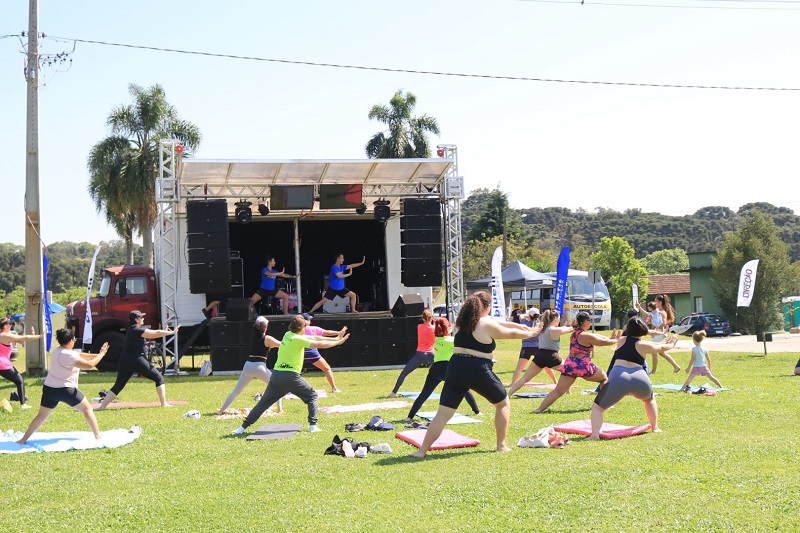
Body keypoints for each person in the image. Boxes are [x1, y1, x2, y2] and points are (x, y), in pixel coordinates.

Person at [409, 291, 542, 458]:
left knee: (443, 413)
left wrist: (524, 327)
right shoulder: (485, 324)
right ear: (485, 307)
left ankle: (421, 451)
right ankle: (501, 445)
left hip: (455, 367)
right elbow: (511, 334)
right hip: (477, 368)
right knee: (503, 403)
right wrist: (532, 333)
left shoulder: (462, 323)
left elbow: (502, 324)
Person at [232, 315, 349, 435]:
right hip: (290, 376)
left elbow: (314, 337)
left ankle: (241, 428)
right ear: (301, 328)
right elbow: (320, 344)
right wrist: (338, 342)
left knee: (263, 404)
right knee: (312, 396)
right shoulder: (299, 340)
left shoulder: (287, 335)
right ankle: (313, 426)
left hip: (276, 375)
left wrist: (336, 338)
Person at [589, 316, 679, 439]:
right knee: (649, 399)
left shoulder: (621, 340)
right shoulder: (644, 345)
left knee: (597, 407)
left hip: (619, 376)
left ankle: (594, 435)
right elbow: (661, 348)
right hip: (640, 377)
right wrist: (672, 343)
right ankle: (655, 428)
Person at [16, 329, 109, 444]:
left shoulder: (58, 349)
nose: (75, 341)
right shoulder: (68, 355)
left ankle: (23, 440)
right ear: (70, 341)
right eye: (74, 339)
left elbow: (79, 355)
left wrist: (99, 354)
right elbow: (90, 365)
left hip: (49, 389)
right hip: (65, 390)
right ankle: (98, 436)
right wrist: (102, 354)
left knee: (41, 415)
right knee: (87, 409)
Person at [532, 311, 619, 414]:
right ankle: (604, 404)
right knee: (604, 378)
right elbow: (603, 342)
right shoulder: (585, 335)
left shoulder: (574, 334)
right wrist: (616, 340)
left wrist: (610, 338)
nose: (590, 323)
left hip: (570, 365)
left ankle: (539, 409)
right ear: (585, 321)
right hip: (583, 366)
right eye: (590, 320)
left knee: (558, 390)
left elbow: (598, 336)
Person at [96, 310, 180, 410]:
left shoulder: (131, 330)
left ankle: (102, 407)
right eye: (141, 317)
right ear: (136, 319)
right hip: (136, 359)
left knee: (119, 385)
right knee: (159, 378)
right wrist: (171, 332)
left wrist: (164, 332)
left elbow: (154, 333)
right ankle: (164, 403)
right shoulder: (136, 330)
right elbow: (155, 333)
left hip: (125, 360)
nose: (143, 319)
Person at [405, 317, 481, 421]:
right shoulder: (451, 340)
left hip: (435, 369)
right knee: (464, 389)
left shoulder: (435, 339)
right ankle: (477, 411)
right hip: (448, 369)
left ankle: (409, 417)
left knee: (424, 394)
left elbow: (442, 335)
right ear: (447, 328)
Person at [217, 316, 284, 415]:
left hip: (248, 366)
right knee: (278, 386)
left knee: (236, 391)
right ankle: (279, 409)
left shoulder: (254, 337)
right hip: (259, 367)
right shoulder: (267, 338)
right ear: (265, 327)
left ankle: (221, 410)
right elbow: (281, 344)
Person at [507, 309, 570, 397]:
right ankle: (567, 392)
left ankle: (508, 394)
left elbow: (561, 329)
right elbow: (569, 329)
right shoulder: (554, 329)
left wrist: (563, 327)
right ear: (555, 318)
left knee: (524, 378)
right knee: (568, 370)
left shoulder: (542, 328)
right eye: (559, 318)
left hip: (539, 355)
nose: (559, 320)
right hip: (552, 356)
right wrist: (575, 326)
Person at [388, 309, 435, 397]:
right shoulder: (434, 328)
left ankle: (393, 393)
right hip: (431, 354)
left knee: (404, 373)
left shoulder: (420, 327)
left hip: (420, 354)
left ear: (423, 319)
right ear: (431, 318)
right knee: (443, 373)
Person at [0, 318, 45, 409]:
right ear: (5, 326)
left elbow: (22, 340)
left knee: (19, 380)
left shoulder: (4, 335)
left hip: (3, 363)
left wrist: (32, 336)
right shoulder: (5, 336)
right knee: (19, 380)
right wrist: (39, 336)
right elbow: (24, 338)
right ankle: (23, 404)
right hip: (3, 364)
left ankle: (18, 398)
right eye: (10, 324)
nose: (11, 325)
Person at [508, 307, 557, 388]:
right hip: (538, 347)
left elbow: (521, 316)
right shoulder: (540, 324)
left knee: (520, 367)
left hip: (526, 347)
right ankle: (555, 381)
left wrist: (528, 315)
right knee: (546, 365)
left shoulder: (524, 322)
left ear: (529, 315)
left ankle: (513, 383)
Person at [301, 312, 346, 393]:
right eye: (309, 320)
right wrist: (339, 333)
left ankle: (289, 390)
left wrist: (338, 334)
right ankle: (334, 388)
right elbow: (327, 332)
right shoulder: (313, 328)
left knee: (292, 372)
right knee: (327, 369)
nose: (310, 321)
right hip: (311, 352)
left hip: (299, 352)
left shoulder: (296, 331)